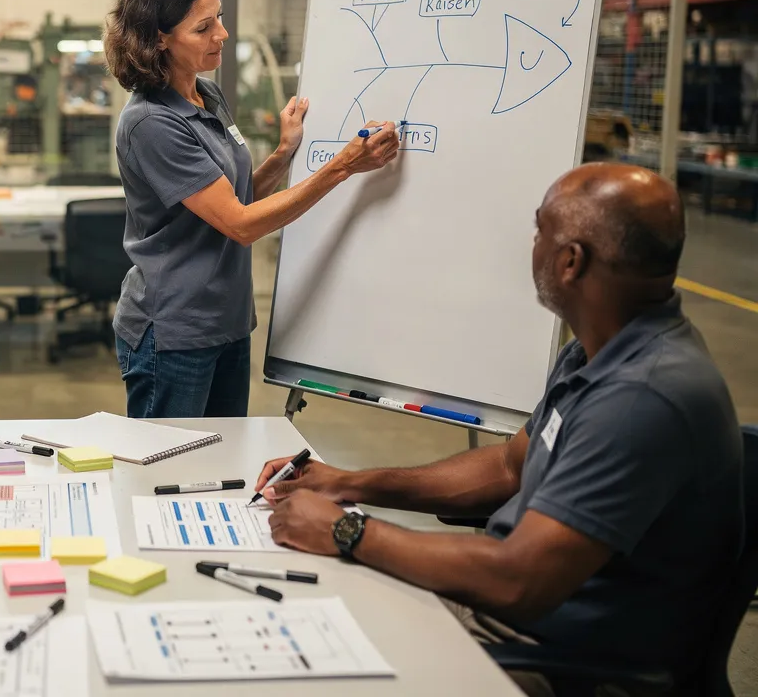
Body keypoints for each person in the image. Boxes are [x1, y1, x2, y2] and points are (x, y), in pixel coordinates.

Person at [257, 163, 742, 696]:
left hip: (557, 661)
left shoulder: (644, 397)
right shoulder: (598, 349)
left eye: (540, 231)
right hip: (509, 620)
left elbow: (519, 579)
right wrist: (348, 483)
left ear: (570, 263)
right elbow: (510, 466)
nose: (531, 245)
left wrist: (346, 531)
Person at [104, 0, 401, 419]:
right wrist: (344, 164)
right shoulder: (151, 123)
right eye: (203, 28)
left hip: (227, 323)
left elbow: (235, 197)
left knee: (222, 461)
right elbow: (240, 225)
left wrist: (283, 153)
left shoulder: (208, 95)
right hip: (175, 331)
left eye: (218, 17)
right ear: (158, 39)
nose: (221, 34)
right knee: (164, 476)